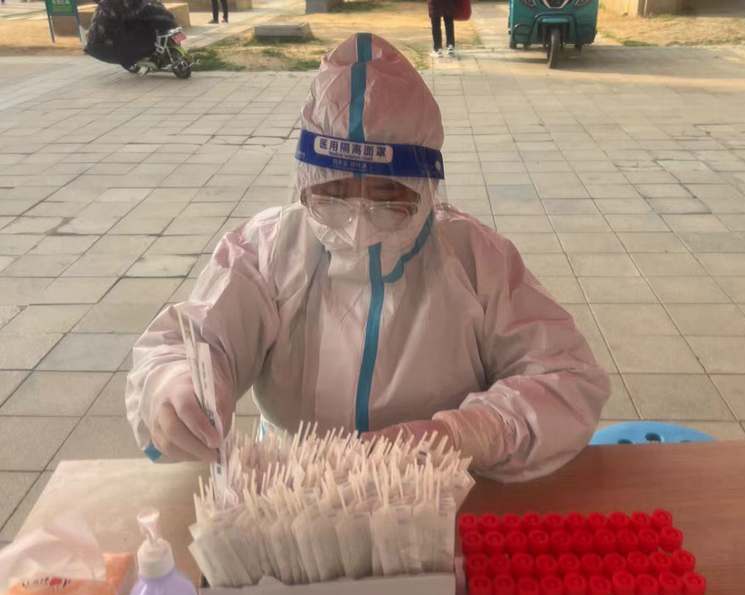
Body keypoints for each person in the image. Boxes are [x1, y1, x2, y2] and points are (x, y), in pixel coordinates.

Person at [125, 33, 610, 483]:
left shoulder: (476, 259)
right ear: (305, 181)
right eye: (334, 192)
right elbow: (196, 340)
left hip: (440, 488)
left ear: (426, 188)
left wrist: (468, 434)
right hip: (295, 491)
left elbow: (567, 378)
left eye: (386, 195)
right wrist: (174, 385)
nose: (358, 222)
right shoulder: (267, 250)